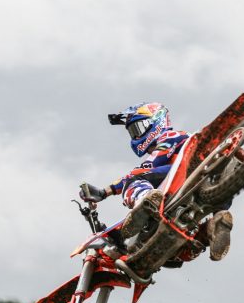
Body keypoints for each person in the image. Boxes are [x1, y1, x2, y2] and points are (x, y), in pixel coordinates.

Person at [79, 102, 233, 262]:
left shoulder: (171, 137)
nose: (136, 136)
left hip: (183, 174)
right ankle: (213, 227)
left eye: (138, 128)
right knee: (180, 253)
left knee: (134, 179)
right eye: (133, 132)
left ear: (156, 121)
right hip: (207, 185)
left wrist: (104, 192)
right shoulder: (179, 139)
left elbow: (150, 165)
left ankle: (146, 201)